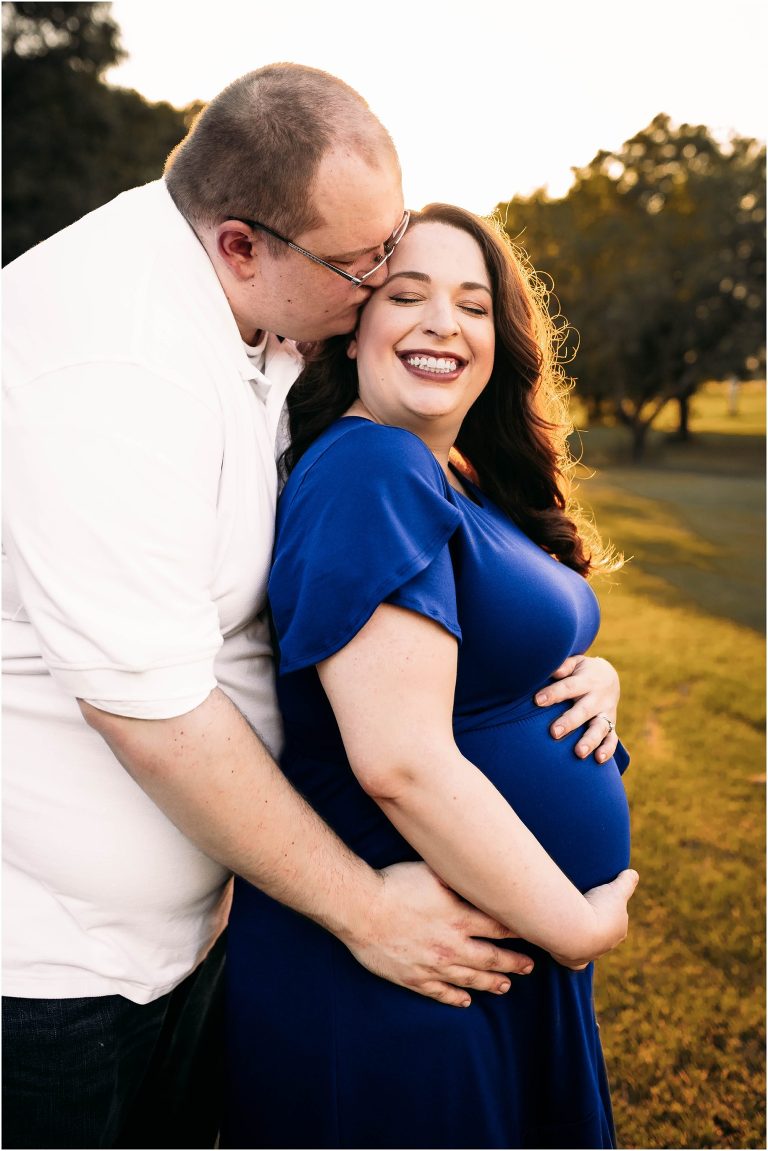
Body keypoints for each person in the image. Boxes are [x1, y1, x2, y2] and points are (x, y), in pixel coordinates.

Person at [2, 64, 628, 1150]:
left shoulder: (267, 325)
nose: (387, 281)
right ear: (242, 244)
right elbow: (153, 710)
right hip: (60, 972)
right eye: (371, 265)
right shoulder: (112, 368)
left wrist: (568, 670)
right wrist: (369, 907)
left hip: (195, 938)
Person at [222, 203, 637, 1150]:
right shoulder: (371, 466)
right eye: (405, 295)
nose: (444, 323)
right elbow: (400, 763)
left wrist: (592, 676)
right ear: (353, 323)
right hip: (402, 979)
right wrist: (572, 927)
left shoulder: (452, 474)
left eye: (473, 303)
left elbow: (482, 665)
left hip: (479, 956)